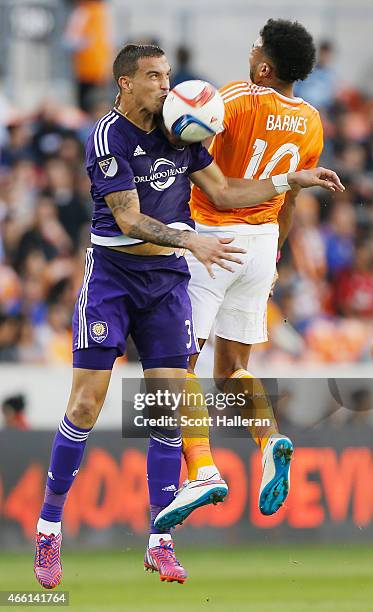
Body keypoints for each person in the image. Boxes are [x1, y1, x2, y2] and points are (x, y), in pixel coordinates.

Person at [33, 43, 343, 589]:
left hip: (167, 284)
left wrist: (289, 181)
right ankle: (49, 528)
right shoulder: (108, 135)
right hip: (113, 277)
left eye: (167, 74)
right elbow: (128, 219)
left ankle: (159, 541)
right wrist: (190, 241)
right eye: (153, 76)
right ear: (125, 83)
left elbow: (223, 191)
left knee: (168, 401)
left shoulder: (181, 130)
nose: (164, 83)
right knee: (86, 402)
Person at [154, 20, 340, 532]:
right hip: (261, 246)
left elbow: (194, 155)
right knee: (232, 370)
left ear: (264, 66)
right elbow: (292, 198)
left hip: (210, 240)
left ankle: (203, 471)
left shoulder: (234, 99)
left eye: (257, 46)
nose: (251, 50)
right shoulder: (312, 122)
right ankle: (270, 439)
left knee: (177, 367)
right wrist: (274, 256)